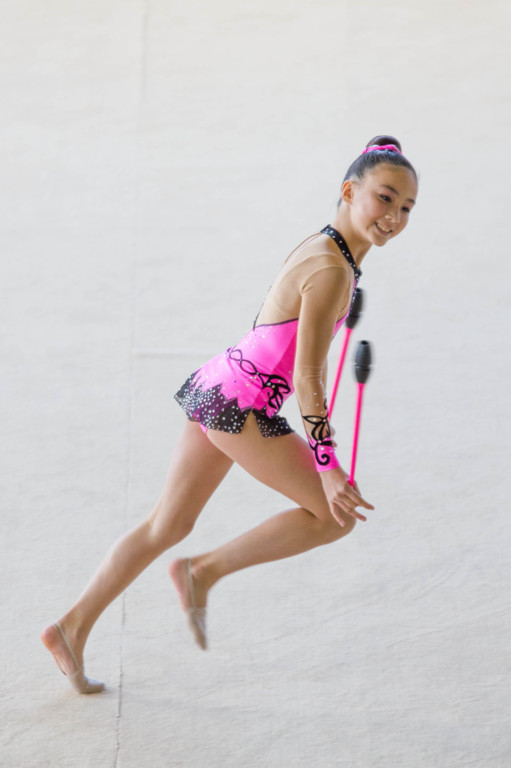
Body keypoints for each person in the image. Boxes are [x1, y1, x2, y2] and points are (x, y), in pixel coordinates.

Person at [41, 135, 418, 693]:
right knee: (333, 515)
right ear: (348, 191)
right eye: (385, 198)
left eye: (406, 208)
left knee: (167, 524)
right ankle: (203, 571)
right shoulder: (332, 269)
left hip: (219, 385)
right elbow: (307, 376)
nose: (394, 216)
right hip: (240, 404)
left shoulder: (331, 251)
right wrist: (328, 463)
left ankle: (69, 628)